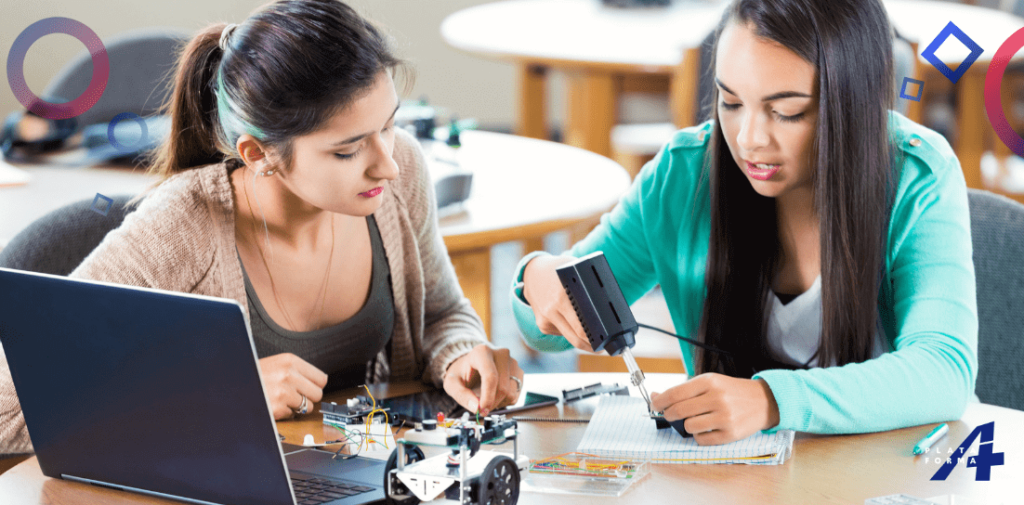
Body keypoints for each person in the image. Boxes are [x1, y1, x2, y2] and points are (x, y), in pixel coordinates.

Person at [0, 0, 522, 454]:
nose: (386, 163)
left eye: (389, 125)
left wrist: (460, 357)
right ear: (259, 153)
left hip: (353, 472)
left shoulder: (399, 172)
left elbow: (440, 313)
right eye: (347, 149)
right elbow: (8, 409)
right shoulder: (180, 227)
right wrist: (218, 393)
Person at [512, 0, 977, 446]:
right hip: (737, 482)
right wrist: (536, 277)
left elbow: (942, 370)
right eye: (730, 102)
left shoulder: (917, 174)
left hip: (894, 474)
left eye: (787, 111)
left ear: (853, 105)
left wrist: (770, 401)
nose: (749, 140)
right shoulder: (685, 173)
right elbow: (545, 331)